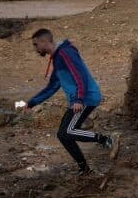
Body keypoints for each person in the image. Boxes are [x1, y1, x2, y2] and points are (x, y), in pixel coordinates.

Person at [23, 28, 119, 175]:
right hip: (78, 100)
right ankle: (84, 169)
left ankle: (106, 139)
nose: (35, 49)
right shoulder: (58, 57)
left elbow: (80, 75)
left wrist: (79, 98)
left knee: (68, 131)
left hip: (86, 98)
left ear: (44, 42)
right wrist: (31, 102)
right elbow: (53, 86)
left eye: (36, 45)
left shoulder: (65, 53)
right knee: (63, 135)